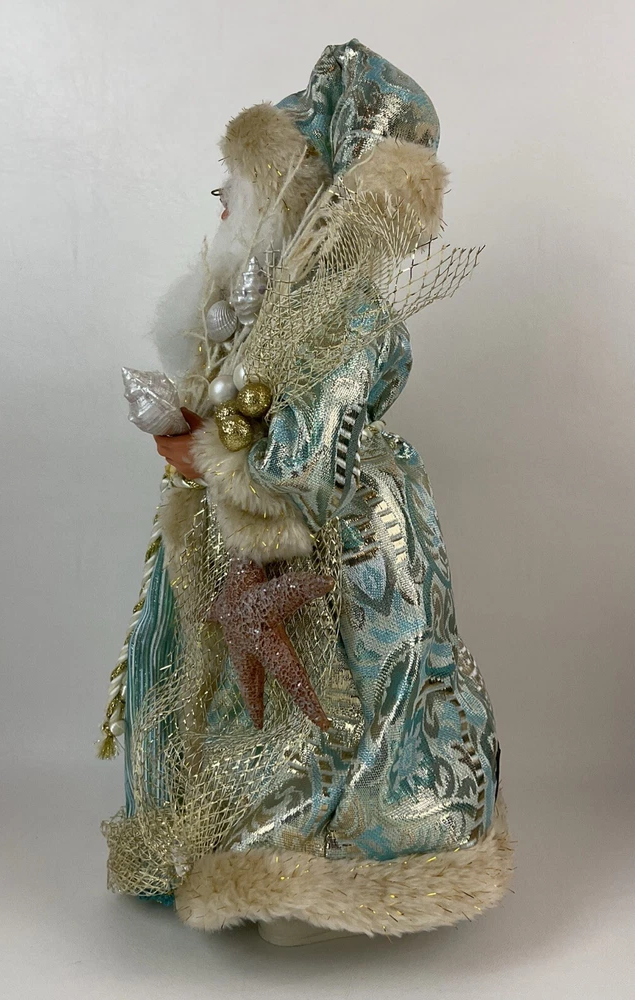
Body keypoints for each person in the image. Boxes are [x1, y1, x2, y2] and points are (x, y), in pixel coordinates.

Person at [100, 39, 513, 944]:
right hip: (244, 526)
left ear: (296, 197)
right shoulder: (264, 304)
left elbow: (307, 451)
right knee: (242, 693)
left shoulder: (348, 314)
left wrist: (212, 458)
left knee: (325, 693)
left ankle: (312, 871)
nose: (220, 201)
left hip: (328, 537)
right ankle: (229, 852)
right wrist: (205, 427)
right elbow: (248, 413)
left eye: (239, 186)